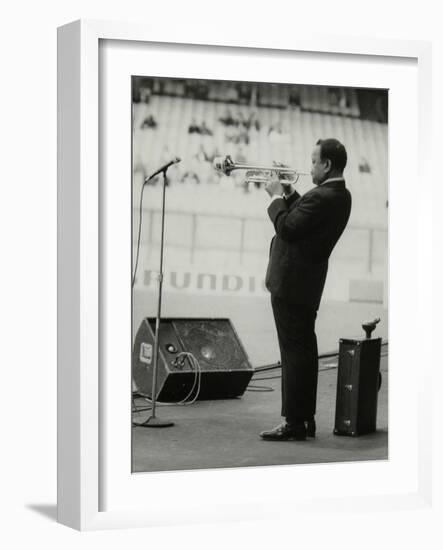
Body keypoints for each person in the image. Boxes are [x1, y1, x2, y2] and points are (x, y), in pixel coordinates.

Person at [260, 138, 352, 441]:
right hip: (306, 284)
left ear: (326, 165)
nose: (309, 167)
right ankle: (304, 418)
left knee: (293, 354)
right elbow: (304, 216)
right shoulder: (337, 194)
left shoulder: (324, 196)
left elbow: (287, 227)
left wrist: (275, 198)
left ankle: (294, 422)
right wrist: (288, 191)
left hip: (291, 283)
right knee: (304, 352)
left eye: (314, 161)